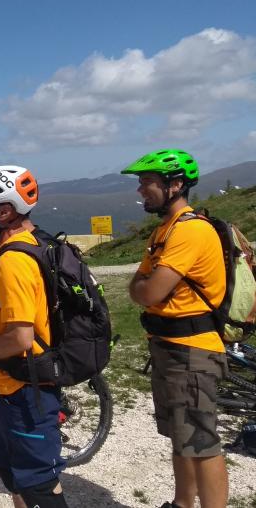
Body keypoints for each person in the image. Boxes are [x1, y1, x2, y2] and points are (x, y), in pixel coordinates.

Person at [0, 165, 69, 508]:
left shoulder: (14, 260)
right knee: (12, 472)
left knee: (39, 485)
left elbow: (20, 337)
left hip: (27, 390)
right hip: (11, 388)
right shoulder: (24, 244)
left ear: (4, 211)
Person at [123, 149, 229, 508]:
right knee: (181, 437)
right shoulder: (164, 230)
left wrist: (144, 288)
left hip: (191, 350)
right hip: (170, 347)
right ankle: (182, 503)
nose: (140, 190)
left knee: (201, 444)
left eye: (147, 182)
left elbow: (147, 289)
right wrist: (143, 287)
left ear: (175, 185)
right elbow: (139, 286)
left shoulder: (190, 231)